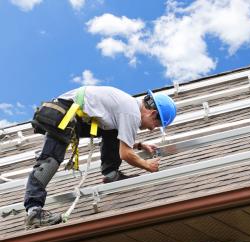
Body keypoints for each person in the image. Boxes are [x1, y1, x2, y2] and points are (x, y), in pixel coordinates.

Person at [24, 86, 177, 229]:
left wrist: (138, 145)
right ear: (153, 114)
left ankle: (111, 174)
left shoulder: (129, 107)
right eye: (155, 125)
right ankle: (34, 211)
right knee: (49, 161)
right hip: (65, 114)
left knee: (112, 131)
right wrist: (147, 165)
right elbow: (125, 154)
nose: (151, 129)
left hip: (74, 114)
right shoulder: (132, 112)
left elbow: (120, 137)